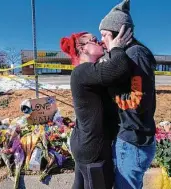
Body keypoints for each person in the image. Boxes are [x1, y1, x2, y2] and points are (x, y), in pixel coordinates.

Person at [60, 25, 133, 189]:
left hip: (86, 145)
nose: (100, 41)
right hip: (94, 150)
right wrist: (116, 48)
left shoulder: (91, 71)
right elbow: (118, 69)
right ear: (82, 48)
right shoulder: (81, 71)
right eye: (94, 40)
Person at [99, 0, 157, 188]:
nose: (102, 40)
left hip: (133, 143)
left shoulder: (135, 54)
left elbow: (137, 102)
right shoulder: (128, 55)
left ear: (121, 33)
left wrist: (112, 88)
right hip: (131, 140)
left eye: (105, 35)